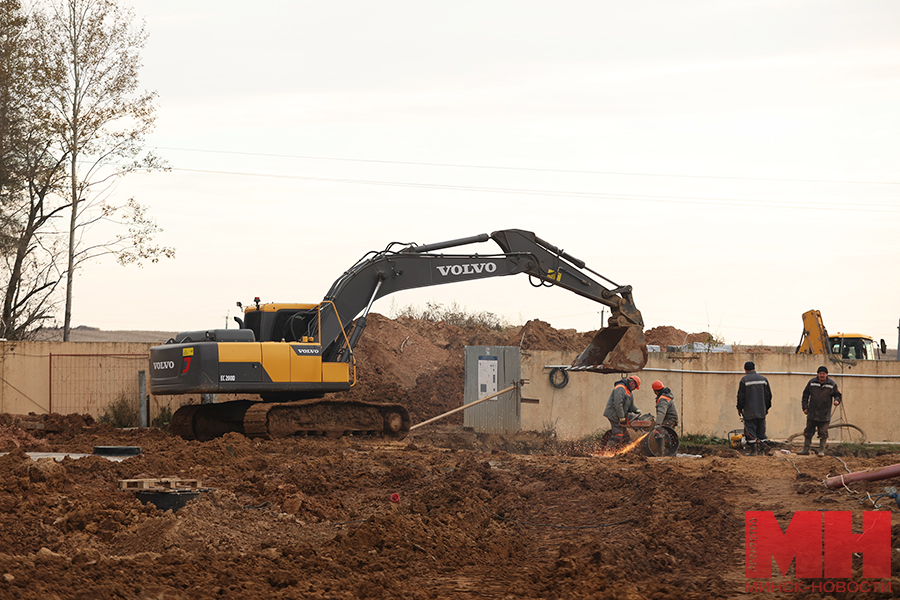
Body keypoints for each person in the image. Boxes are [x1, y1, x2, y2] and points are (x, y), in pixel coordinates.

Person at [798, 365, 842, 456]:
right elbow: (805, 395)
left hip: (824, 414)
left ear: (826, 374)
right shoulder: (812, 382)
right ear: (817, 374)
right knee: (808, 432)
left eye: (823, 374)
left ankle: (821, 451)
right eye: (820, 373)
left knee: (823, 433)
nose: (822, 375)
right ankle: (805, 449)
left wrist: (837, 400)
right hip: (812, 412)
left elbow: (838, 395)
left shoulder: (832, 384)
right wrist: (805, 407)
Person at [736, 361, 772, 456]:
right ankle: (762, 450)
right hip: (761, 410)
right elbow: (768, 395)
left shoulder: (744, 380)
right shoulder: (763, 379)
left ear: (745, 370)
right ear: (754, 368)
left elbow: (741, 396)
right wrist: (766, 408)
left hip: (749, 411)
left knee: (750, 430)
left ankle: (753, 451)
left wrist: (739, 408)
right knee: (761, 430)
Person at [603, 375, 641, 447]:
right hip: (614, 414)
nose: (635, 389)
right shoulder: (620, 388)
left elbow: (631, 405)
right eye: (635, 387)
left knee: (626, 434)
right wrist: (621, 417)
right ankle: (608, 452)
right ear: (632, 383)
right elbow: (618, 404)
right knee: (618, 434)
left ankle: (631, 451)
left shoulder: (629, 391)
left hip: (620, 415)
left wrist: (637, 410)